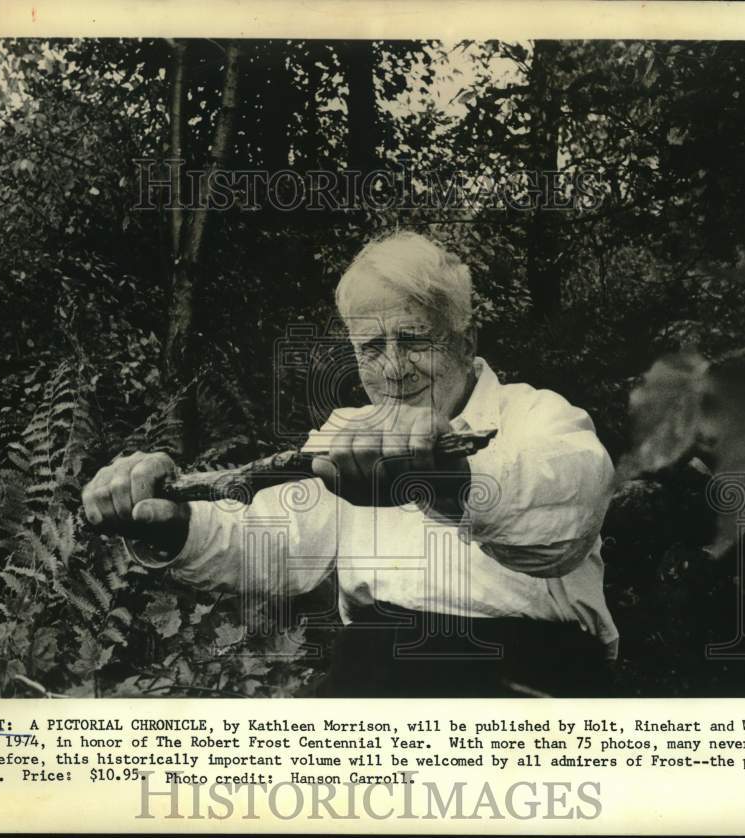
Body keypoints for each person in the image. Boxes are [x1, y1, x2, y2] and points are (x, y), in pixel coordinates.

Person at [82, 231, 619, 697]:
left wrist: (446, 484)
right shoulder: (347, 434)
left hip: (526, 682)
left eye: (412, 340)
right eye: (371, 347)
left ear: (465, 341)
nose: (393, 368)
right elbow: (273, 540)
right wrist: (175, 524)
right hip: (375, 677)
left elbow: (567, 505)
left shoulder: (537, 416)